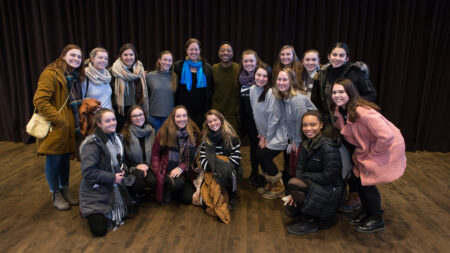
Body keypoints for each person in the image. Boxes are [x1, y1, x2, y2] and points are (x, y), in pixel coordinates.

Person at [331, 78, 406, 232]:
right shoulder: (340, 110)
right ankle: (368, 211)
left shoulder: (362, 112)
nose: (337, 95)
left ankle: (377, 218)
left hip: (383, 148)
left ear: (350, 93)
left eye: (341, 92)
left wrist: (374, 153)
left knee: (368, 184)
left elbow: (386, 136)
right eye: (334, 92)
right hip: (365, 149)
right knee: (359, 182)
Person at [33, 44, 85, 211]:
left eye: (79, 57)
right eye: (72, 55)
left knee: (64, 161)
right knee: (54, 161)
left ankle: (65, 189)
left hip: (70, 127)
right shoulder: (51, 73)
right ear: (63, 55)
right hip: (56, 127)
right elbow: (40, 101)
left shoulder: (75, 75)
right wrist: (59, 120)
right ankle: (55, 193)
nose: (76, 59)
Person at [284, 110, 344, 235]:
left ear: (321, 125)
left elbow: (329, 177)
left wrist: (303, 180)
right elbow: (299, 170)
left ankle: (310, 221)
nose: (308, 128)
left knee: (294, 183)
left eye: (313, 124)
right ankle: (309, 211)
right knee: (289, 210)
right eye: (305, 125)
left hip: (330, 188)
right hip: (316, 183)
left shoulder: (328, 147)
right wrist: (294, 194)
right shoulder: (306, 144)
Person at [79, 109, 133, 236]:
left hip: (113, 186)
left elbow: (120, 162)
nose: (112, 123)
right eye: (107, 121)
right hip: (95, 192)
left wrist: (122, 169)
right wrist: (112, 177)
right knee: (99, 230)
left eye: (113, 119)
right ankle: (86, 209)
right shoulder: (92, 144)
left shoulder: (116, 138)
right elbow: (88, 173)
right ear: (98, 124)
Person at [273, 68, 316, 195]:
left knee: (299, 169)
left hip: (306, 139)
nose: (281, 82)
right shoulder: (284, 98)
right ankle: (295, 194)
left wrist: (296, 142)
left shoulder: (297, 100)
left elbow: (302, 124)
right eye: (279, 79)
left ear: (291, 81)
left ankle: (301, 196)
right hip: (296, 138)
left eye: (285, 79)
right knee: (293, 166)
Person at [311, 42, 377, 125]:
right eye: (334, 55)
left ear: (347, 58)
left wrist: (354, 107)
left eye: (341, 55)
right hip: (330, 122)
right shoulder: (322, 74)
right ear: (329, 56)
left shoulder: (356, 72)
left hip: (353, 119)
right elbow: (315, 98)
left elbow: (371, 94)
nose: (337, 58)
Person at [249, 63, 288, 199]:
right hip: (265, 133)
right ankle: (271, 183)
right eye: (258, 74)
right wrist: (261, 135)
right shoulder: (253, 89)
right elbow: (256, 115)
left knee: (264, 155)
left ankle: (279, 186)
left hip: (278, 133)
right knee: (259, 154)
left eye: (264, 76)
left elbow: (274, 119)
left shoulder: (271, 92)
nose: (260, 78)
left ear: (269, 78)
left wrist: (267, 138)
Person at [151, 105, 201, 204]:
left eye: (184, 116)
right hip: (166, 167)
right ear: (173, 118)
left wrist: (181, 167)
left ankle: (171, 188)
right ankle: (167, 184)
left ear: (188, 117)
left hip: (186, 170)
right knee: (175, 183)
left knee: (187, 199)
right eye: (178, 116)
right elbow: (155, 154)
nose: (181, 119)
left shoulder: (195, 134)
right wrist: (158, 172)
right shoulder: (163, 132)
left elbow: (194, 158)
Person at [198, 109, 242, 222]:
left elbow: (235, 159)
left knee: (218, 186)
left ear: (221, 120)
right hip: (211, 171)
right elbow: (202, 160)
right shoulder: (206, 140)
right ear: (207, 124)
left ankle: (229, 196)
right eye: (210, 122)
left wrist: (216, 163)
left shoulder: (232, 138)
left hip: (228, 171)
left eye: (215, 120)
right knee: (205, 200)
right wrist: (215, 166)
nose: (213, 123)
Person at [237, 49, 264, 186]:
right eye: (245, 61)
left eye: (251, 60)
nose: (248, 63)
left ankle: (263, 176)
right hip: (248, 120)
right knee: (253, 148)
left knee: (260, 149)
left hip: (260, 122)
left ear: (256, 61)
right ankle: (254, 173)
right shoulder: (241, 79)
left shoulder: (262, 78)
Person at [174, 38, 214, 128]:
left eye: (196, 49)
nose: (194, 52)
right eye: (191, 49)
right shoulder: (178, 66)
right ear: (186, 50)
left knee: (198, 137)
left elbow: (211, 88)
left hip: (201, 112)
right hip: (182, 113)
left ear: (200, 51)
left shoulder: (206, 67)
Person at [121, 105, 157, 202]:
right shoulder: (125, 134)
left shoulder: (151, 130)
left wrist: (147, 166)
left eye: (141, 114)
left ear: (144, 115)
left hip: (149, 166)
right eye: (135, 116)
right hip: (133, 167)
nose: (139, 118)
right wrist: (137, 166)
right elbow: (123, 159)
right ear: (130, 119)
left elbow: (156, 153)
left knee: (152, 181)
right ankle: (136, 194)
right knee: (139, 182)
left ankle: (141, 193)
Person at [111, 43, 148, 131]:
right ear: (121, 56)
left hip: (137, 110)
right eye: (125, 55)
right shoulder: (113, 71)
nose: (129, 57)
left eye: (131, 54)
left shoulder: (140, 70)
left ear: (135, 55)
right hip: (120, 111)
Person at [211, 42, 240, 131]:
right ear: (218, 53)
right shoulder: (213, 69)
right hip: (216, 113)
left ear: (232, 53)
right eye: (222, 50)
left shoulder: (238, 69)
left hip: (233, 114)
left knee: (232, 142)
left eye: (228, 51)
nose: (225, 53)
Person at [146, 50, 177, 132]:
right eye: (165, 59)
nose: (167, 62)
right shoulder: (149, 76)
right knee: (155, 142)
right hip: (153, 116)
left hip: (169, 116)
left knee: (167, 142)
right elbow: (144, 95)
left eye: (170, 60)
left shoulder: (175, 77)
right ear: (159, 60)